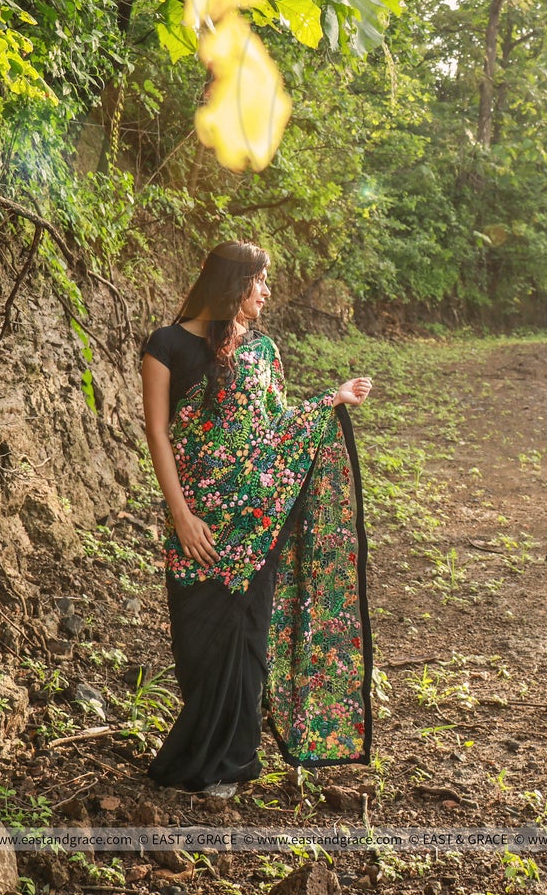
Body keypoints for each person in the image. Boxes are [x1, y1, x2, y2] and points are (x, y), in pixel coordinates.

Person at [139, 240, 376, 797]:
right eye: (261, 281)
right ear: (235, 284)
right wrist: (181, 516)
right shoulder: (166, 345)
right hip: (196, 523)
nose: (267, 292)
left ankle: (234, 761)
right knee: (198, 643)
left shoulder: (262, 351)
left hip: (254, 520)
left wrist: (331, 401)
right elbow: (157, 433)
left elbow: (276, 430)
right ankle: (198, 755)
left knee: (246, 640)